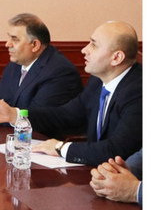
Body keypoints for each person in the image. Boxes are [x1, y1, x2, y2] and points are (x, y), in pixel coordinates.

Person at [22, 21, 142, 167]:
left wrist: (60, 148)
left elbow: (116, 150)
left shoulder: (139, 91)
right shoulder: (97, 81)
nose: (84, 50)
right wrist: (16, 115)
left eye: (94, 45)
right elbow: (65, 115)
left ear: (116, 58)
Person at [0, 14, 79, 121]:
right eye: (9, 38)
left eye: (14, 39)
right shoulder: (15, 64)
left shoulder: (59, 71)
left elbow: (37, 118)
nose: (7, 44)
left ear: (35, 45)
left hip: (42, 140)